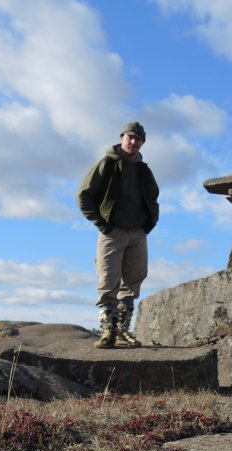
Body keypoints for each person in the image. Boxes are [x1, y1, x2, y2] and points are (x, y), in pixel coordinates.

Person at [77, 121, 160, 348]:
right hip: (112, 232)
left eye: (138, 139)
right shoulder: (106, 164)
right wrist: (102, 225)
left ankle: (123, 331)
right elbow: (83, 196)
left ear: (142, 142)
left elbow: (153, 198)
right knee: (108, 279)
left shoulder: (144, 170)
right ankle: (107, 332)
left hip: (138, 233)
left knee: (133, 281)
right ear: (122, 137)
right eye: (130, 137)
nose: (133, 142)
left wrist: (148, 225)